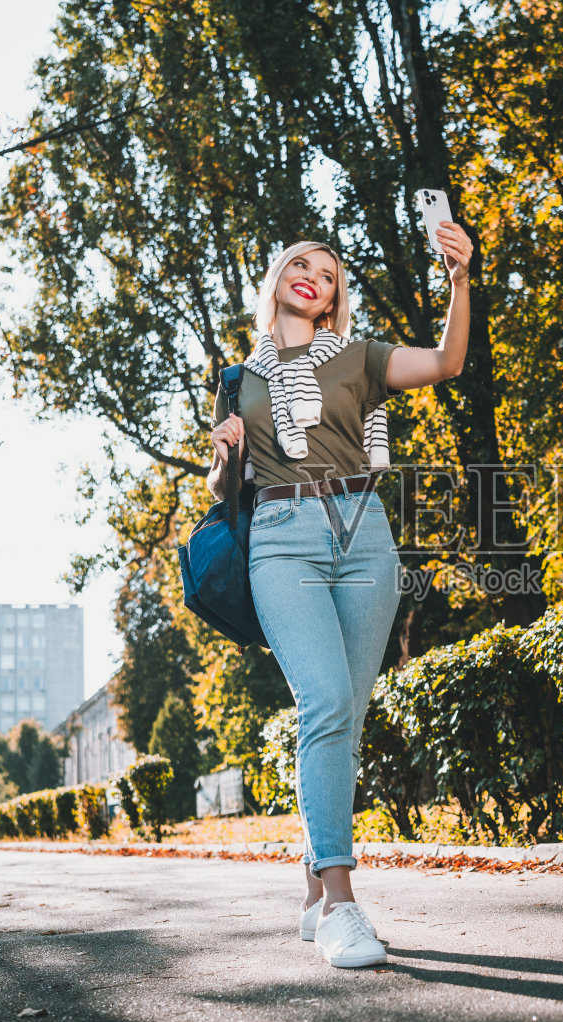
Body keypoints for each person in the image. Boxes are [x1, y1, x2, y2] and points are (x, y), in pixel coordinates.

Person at [206, 223, 475, 968]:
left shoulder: (361, 356)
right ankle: (341, 906)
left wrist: (457, 278)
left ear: (331, 299)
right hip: (282, 538)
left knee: (345, 719)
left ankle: (309, 886)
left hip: (364, 535)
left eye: (326, 273)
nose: (312, 276)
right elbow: (225, 489)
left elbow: (449, 361)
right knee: (324, 701)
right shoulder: (243, 378)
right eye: (300, 264)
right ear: (278, 280)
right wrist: (226, 455)